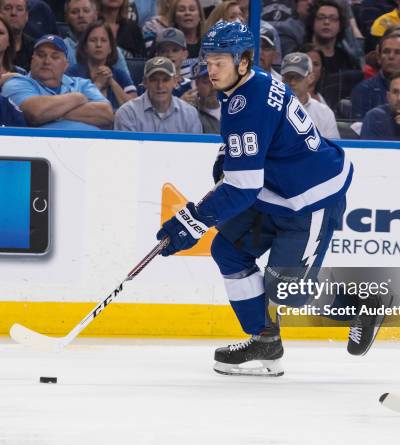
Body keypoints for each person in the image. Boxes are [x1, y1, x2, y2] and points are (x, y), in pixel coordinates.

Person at [155, 21, 387, 377]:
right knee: (229, 250)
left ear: (244, 61)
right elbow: (251, 145)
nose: (210, 70)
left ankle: (361, 307)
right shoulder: (249, 84)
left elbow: (242, 187)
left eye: (220, 62)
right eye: (208, 61)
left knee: (288, 290)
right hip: (275, 190)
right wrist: (226, 158)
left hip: (310, 199)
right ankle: (264, 338)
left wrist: (193, 221)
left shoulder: (248, 102)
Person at [2, 34, 114, 129]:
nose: (46, 61)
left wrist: (51, 114)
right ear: (32, 60)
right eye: (41, 55)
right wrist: (78, 98)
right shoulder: (16, 83)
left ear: (66, 65)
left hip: (90, 148)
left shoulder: (83, 84)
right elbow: (35, 113)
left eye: (55, 57)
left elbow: (107, 114)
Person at [351, 32, 400, 119]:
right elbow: (359, 127)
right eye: (386, 51)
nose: (391, 56)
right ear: (379, 57)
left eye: (397, 52)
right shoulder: (363, 90)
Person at [113, 56, 202, 132]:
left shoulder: (190, 114)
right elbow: (127, 151)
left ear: (175, 81)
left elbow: (195, 151)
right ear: (145, 82)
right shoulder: (127, 113)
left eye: (165, 80)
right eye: (154, 80)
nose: (160, 86)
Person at [66, 20, 136, 109]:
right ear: (85, 47)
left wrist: (112, 82)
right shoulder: (73, 73)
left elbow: (134, 109)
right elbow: (69, 106)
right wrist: (98, 84)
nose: (98, 45)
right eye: (93, 40)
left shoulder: (120, 75)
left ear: (110, 48)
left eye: (103, 40)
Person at [281, 51, 339, 139]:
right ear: (282, 79)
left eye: (298, 77)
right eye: (288, 77)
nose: (292, 82)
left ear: (311, 78)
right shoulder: (270, 109)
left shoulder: (324, 113)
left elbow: (333, 148)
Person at [305, 0, 360, 75]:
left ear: (340, 26)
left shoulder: (348, 60)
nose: (326, 22)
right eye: (321, 17)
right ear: (312, 22)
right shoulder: (300, 55)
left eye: (333, 18)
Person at [154, 26, 194, 96]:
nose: (169, 55)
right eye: (163, 51)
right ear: (157, 56)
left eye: (175, 50)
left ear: (185, 54)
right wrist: (181, 103)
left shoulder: (191, 86)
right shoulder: (152, 85)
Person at [0, 0, 36, 70]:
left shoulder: (35, 49)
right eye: (7, 8)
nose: (13, 13)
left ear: (26, 16)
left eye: (19, 9)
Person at [193, 62, 219, 133]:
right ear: (197, 84)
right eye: (206, 82)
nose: (212, 87)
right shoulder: (191, 113)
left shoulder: (234, 108)